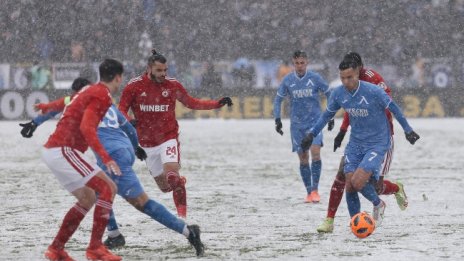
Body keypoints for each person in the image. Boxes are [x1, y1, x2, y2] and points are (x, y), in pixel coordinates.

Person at [24, 79, 205, 256]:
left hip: (113, 156)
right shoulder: (106, 104)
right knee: (96, 192)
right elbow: (129, 129)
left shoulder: (82, 103)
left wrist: (35, 122)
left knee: (140, 202)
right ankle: (111, 235)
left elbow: (60, 108)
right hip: (124, 150)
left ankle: (185, 231)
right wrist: (135, 148)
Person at [301, 57, 420, 227]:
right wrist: (311, 134)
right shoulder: (339, 93)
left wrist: (408, 130)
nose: (346, 81)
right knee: (349, 186)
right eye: (342, 78)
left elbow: (393, 108)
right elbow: (326, 115)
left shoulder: (373, 90)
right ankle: (357, 224)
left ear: (357, 74)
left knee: (359, 183)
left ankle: (379, 204)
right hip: (355, 144)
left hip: (377, 143)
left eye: (349, 77)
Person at [118, 49, 233, 218]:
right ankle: (178, 184)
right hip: (146, 144)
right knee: (165, 188)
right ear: (149, 69)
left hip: (167, 138)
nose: (163, 74)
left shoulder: (172, 85)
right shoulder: (134, 86)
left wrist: (217, 104)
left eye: (165, 70)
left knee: (172, 177)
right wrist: (129, 120)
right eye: (159, 70)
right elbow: (121, 109)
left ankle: (183, 219)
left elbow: (191, 102)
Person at [40, 59, 124, 261]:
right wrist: (106, 157)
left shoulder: (89, 89)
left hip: (57, 150)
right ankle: (95, 249)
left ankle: (56, 249)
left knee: (88, 197)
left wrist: (48, 105)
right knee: (108, 188)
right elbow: (87, 128)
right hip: (64, 149)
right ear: (119, 78)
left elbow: (68, 100)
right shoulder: (102, 94)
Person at [273, 50, 334, 203]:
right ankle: (308, 192)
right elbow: (277, 100)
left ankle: (315, 190)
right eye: (296, 63)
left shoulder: (315, 78)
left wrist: (330, 115)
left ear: (307, 62)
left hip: (315, 123)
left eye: (302, 63)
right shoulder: (288, 80)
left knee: (315, 152)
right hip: (297, 125)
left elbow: (329, 94)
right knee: (303, 158)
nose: (299, 66)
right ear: (293, 63)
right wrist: (278, 119)